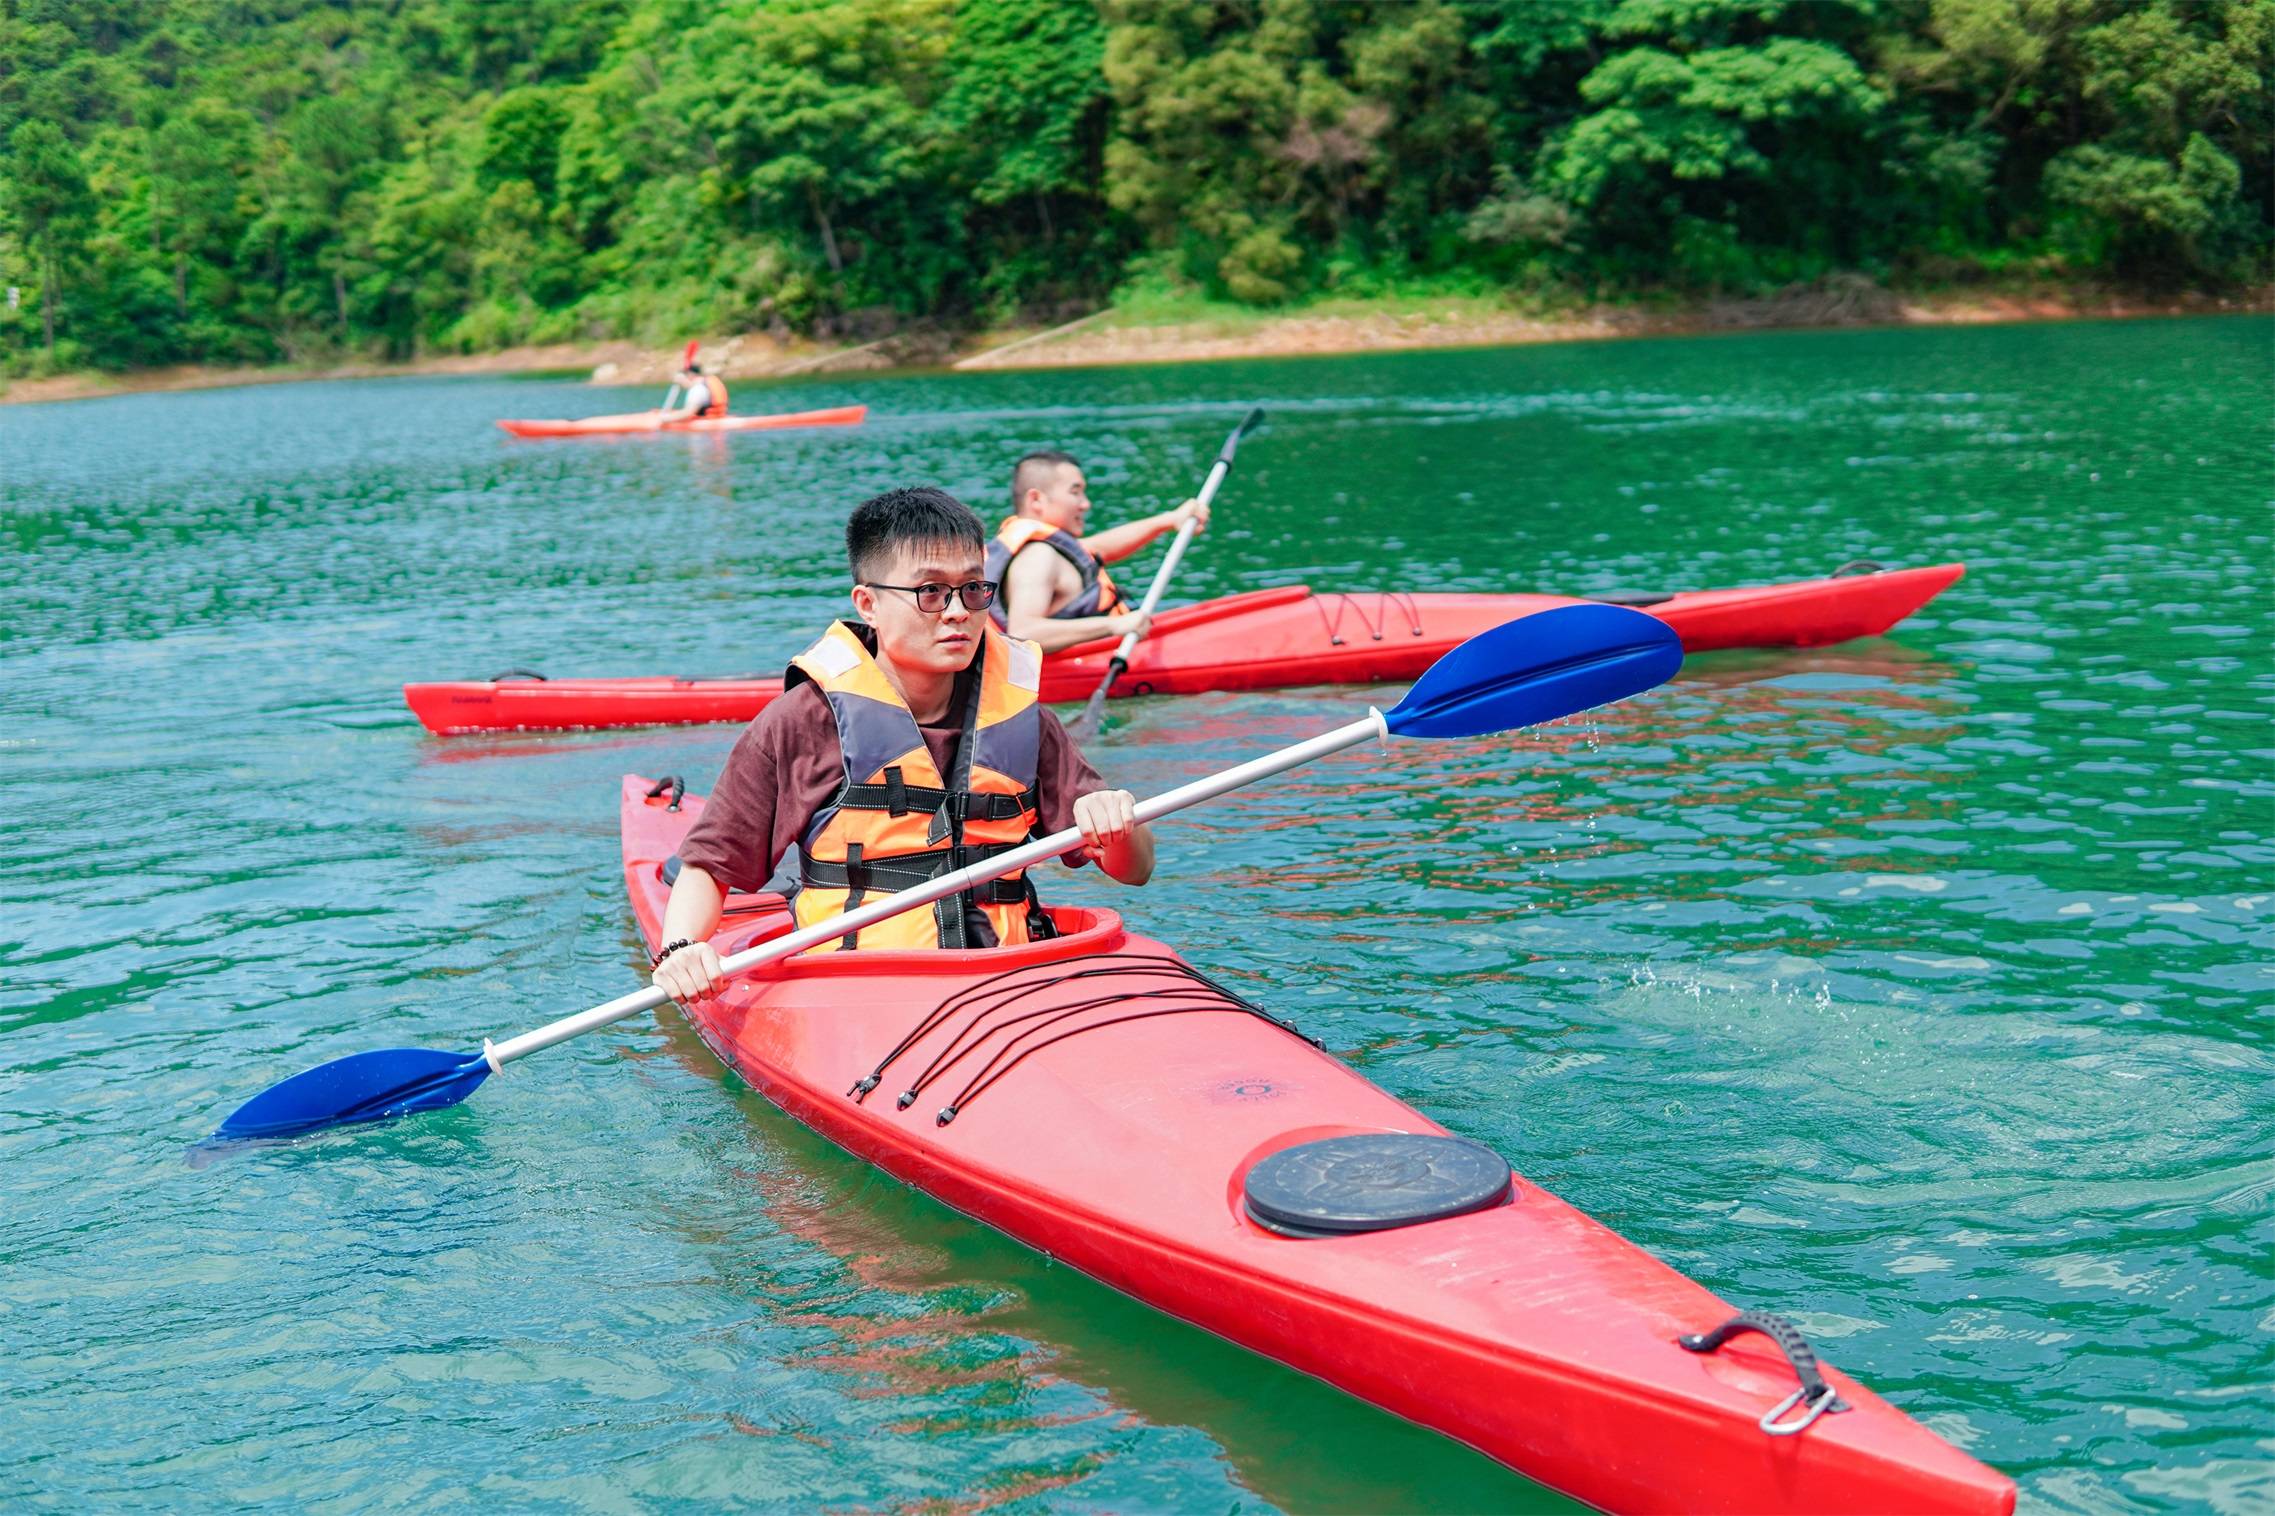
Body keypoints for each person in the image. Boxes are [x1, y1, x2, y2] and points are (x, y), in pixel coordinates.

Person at [650, 486, 1155, 1001]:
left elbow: (1135, 870)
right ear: (868, 604)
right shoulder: (803, 721)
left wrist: (1118, 825)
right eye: (930, 592)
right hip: (856, 986)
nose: (957, 612)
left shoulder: (1024, 719)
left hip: (1007, 976)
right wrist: (682, 948)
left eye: (973, 589)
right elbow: (710, 865)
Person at [986, 450, 1210, 654]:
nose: (1085, 504)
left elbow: (1099, 547)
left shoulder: (1050, 550)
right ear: (1036, 499)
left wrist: (1169, 520)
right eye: (1075, 492)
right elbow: (1024, 632)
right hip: (1081, 669)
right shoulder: (1036, 556)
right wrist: (1114, 625)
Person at [657, 361, 729, 423]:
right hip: (716, 418)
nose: (681, 384)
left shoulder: (697, 389)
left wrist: (663, 419)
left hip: (705, 427)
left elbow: (688, 413)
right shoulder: (703, 384)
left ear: (690, 375)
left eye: (681, 379)